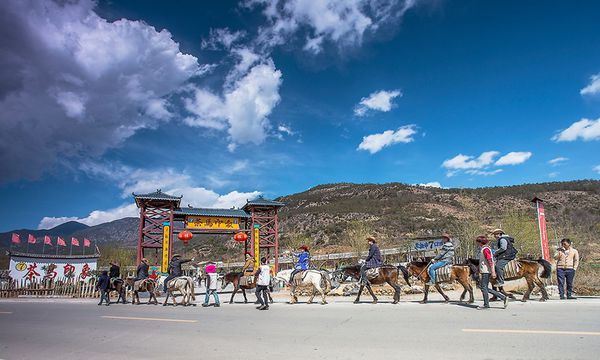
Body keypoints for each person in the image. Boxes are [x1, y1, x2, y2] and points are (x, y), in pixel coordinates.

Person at [476, 235, 508, 310]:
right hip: (485, 270)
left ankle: (487, 305)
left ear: (480, 242)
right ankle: (502, 297)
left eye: (477, 242)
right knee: (484, 287)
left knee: (483, 288)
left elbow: (490, 261)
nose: (477, 244)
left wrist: (493, 271)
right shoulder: (484, 249)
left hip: (486, 271)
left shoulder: (485, 250)